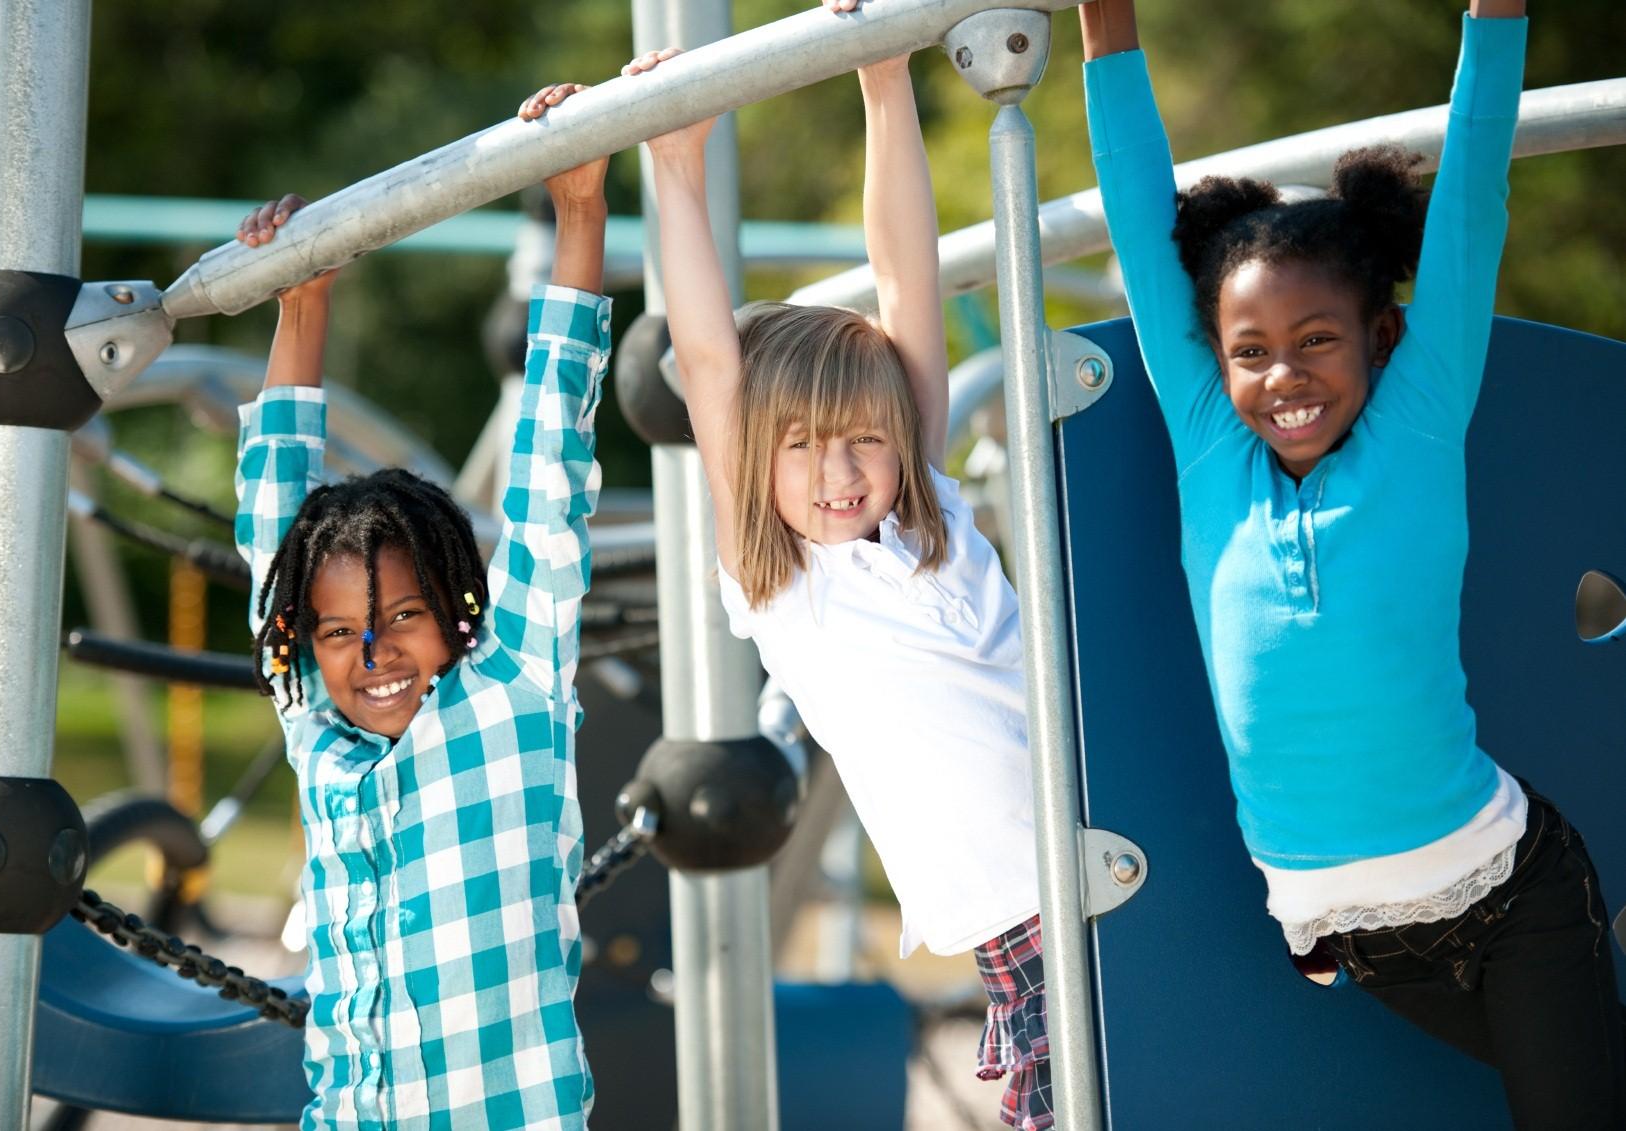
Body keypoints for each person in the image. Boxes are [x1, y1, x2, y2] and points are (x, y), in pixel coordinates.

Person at [1079, 0, 1624, 1122]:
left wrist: (1495, 21)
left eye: (1316, 339)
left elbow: (1473, 199)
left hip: (1510, 894)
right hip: (1350, 938)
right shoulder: (1209, 454)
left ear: (1379, 335)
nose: (1284, 375)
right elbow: (1142, 225)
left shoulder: (1417, 427)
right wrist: (1106, 26)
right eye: (1252, 353)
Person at [556, 2, 1048, 1124]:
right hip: (1022, 918)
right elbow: (713, 359)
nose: (839, 473)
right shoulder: (787, 583)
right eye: (800, 448)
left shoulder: (926, 519)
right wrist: (673, 166)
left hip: (1120, 838)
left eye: (864, 439)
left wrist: (882, 84)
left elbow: (903, 273)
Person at [232, 81, 611, 1129]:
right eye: (344, 632)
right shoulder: (313, 721)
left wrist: (579, 212)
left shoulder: (511, 691)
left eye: (403, 616)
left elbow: (548, 475)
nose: (374, 652)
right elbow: (273, 530)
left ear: (458, 607)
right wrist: (299, 299)